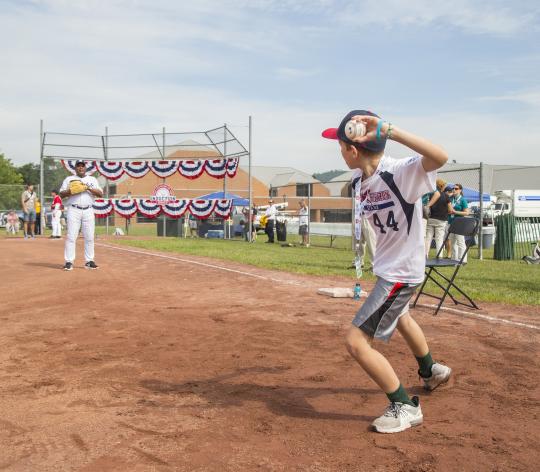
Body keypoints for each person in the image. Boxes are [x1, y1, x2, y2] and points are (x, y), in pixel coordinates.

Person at [322, 109, 451, 434]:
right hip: (391, 270)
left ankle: (405, 406)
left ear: (353, 150)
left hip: (401, 273)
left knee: (355, 342)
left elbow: (440, 156)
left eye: (340, 146)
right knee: (403, 317)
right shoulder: (358, 179)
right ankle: (430, 370)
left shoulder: (400, 172)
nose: (339, 151)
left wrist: (390, 132)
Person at [59, 160, 103, 271]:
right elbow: (62, 194)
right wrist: (72, 190)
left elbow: (100, 194)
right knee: (71, 236)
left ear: (85, 168)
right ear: (75, 168)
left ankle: (89, 261)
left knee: (89, 237)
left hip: (88, 210)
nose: (80, 168)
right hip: (74, 209)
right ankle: (69, 261)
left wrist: (87, 188)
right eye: (78, 166)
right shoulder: (69, 179)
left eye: (82, 166)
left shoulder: (92, 180)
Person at [424, 178, 452, 257]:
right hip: (441, 220)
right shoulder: (446, 196)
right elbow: (450, 209)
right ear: (442, 186)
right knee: (439, 239)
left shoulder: (431, 194)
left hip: (431, 218)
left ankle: (425, 255)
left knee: (428, 237)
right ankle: (439, 256)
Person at [448, 183, 470, 263]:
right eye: (453, 188)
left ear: (460, 190)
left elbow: (467, 213)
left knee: (460, 241)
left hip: (460, 223)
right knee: (452, 241)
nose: (454, 190)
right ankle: (454, 259)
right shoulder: (451, 199)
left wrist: (455, 212)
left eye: (456, 188)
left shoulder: (463, 200)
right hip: (451, 222)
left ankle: (463, 259)